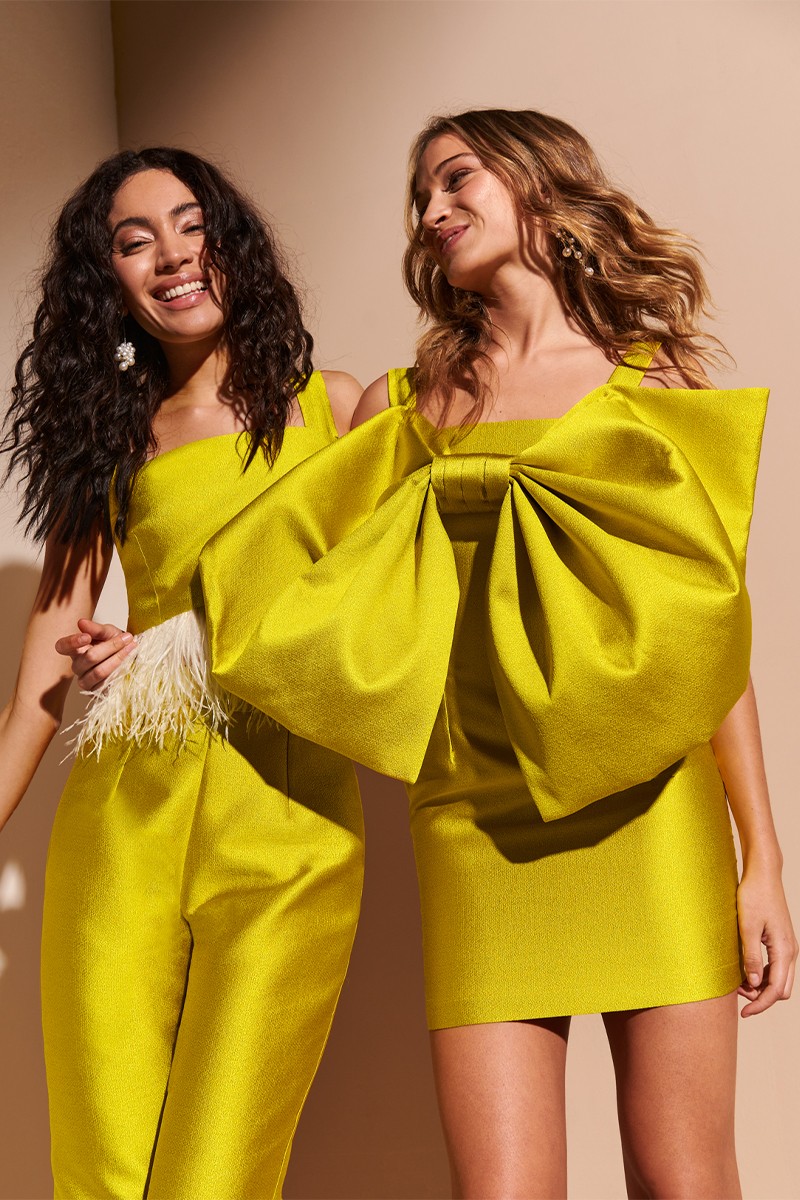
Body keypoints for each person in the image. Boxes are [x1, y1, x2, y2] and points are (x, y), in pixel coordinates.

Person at [195, 110, 797, 1198]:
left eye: (455, 178)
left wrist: (762, 859)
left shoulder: (655, 386)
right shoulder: (404, 407)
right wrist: (145, 641)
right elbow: (293, 573)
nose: (431, 210)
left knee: (686, 1180)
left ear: (537, 183)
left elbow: (710, 646)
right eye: (419, 196)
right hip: (471, 818)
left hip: (649, 811)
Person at [1, 146, 364, 1199]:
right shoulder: (114, 443)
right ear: (108, 282)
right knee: (103, 1171)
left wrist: (174, 643)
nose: (170, 255)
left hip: (289, 819)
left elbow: (390, 597)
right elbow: (41, 677)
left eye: (192, 225)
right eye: (134, 241)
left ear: (232, 242)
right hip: (125, 814)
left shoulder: (338, 410)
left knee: (215, 1178)